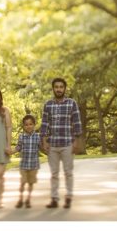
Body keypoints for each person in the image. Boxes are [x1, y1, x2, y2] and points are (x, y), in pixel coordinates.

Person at [39, 77, 82, 209]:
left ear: (64, 89)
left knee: (68, 172)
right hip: (52, 145)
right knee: (54, 174)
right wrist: (44, 141)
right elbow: (45, 124)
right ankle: (54, 199)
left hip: (67, 143)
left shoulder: (71, 103)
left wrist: (77, 141)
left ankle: (68, 196)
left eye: (61, 87)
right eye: (56, 87)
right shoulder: (48, 105)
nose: (58, 89)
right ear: (53, 89)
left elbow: (77, 123)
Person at [14, 114, 41, 208]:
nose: (28, 126)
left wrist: (49, 150)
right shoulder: (21, 137)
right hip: (24, 164)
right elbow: (18, 147)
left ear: (34, 125)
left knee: (30, 183)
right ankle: (20, 199)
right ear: (23, 126)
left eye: (30, 124)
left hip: (34, 165)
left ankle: (28, 199)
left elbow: (42, 148)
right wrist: (12, 151)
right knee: (23, 182)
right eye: (26, 124)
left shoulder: (38, 136)